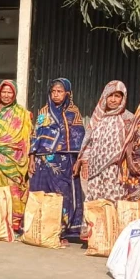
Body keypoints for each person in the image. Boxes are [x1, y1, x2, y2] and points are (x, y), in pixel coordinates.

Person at [30, 78, 87, 241]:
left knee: (63, 194)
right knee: (43, 194)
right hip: (43, 163)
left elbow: (79, 137)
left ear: (67, 93)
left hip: (64, 162)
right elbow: (36, 135)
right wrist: (32, 158)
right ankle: (41, 229)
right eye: (53, 91)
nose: (56, 95)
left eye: (60, 91)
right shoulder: (43, 112)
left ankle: (60, 231)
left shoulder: (73, 113)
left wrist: (79, 160)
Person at [0, 80, 33, 232]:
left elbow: (26, 138)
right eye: (4, 92)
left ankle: (13, 225)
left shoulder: (21, 113)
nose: (7, 95)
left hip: (14, 160)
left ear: (14, 94)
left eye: (10, 92)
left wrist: (25, 159)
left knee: (13, 190)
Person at [78, 80, 133, 202]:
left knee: (114, 202)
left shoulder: (128, 118)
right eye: (110, 96)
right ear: (104, 97)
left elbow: (132, 147)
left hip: (115, 171)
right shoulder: (98, 117)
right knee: (96, 205)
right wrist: (85, 162)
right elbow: (88, 142)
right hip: (95, 171)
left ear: (123, 98)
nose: (113, 100)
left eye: (117, 96)